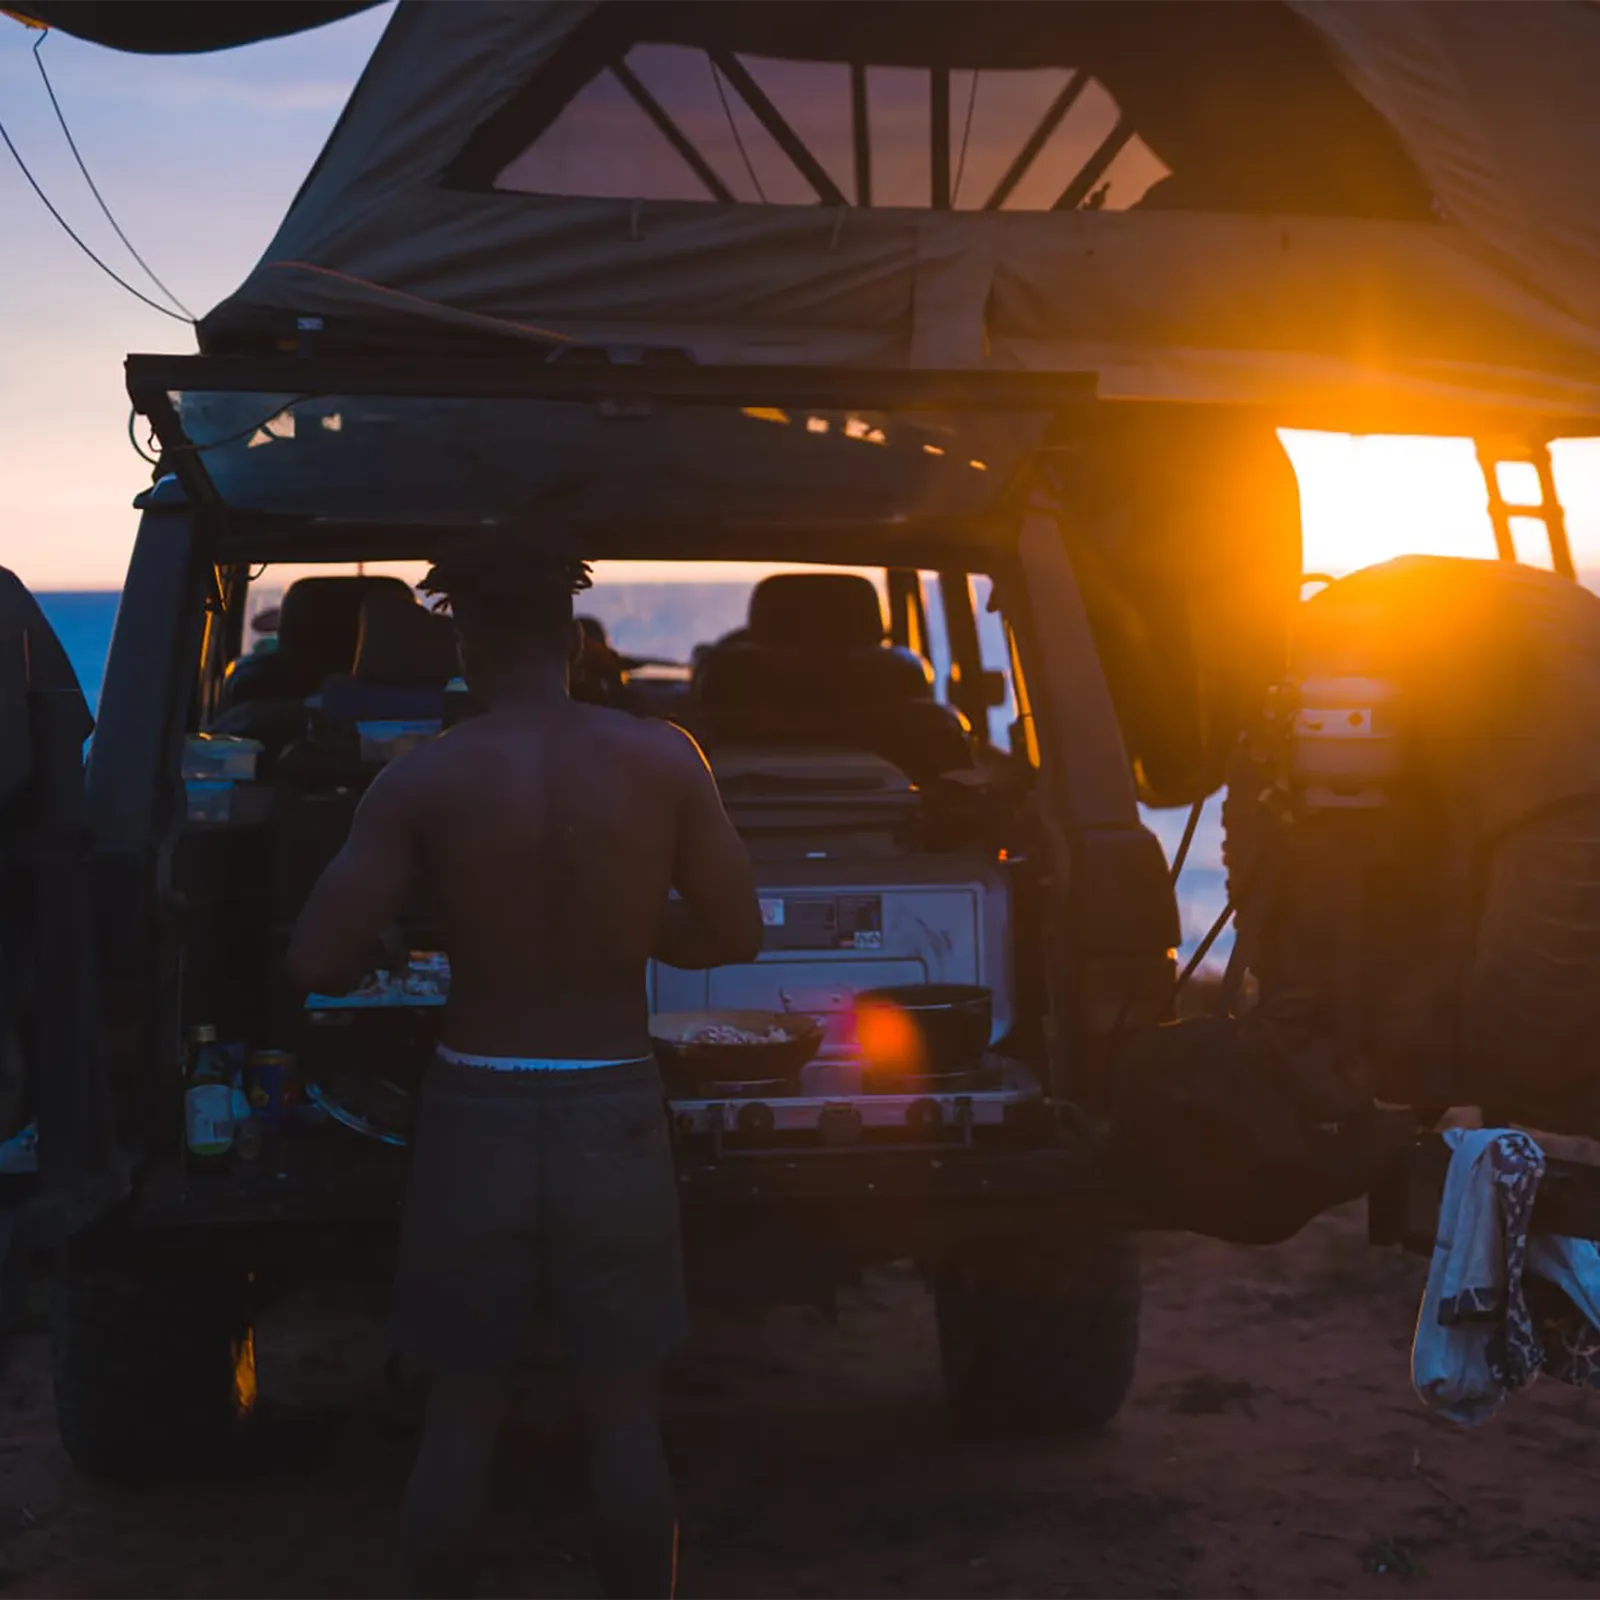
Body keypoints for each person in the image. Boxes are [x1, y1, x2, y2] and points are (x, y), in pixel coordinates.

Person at [285, 534, 763, 1600]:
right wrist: (633, 922)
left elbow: (315, 957)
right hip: (612, 1104)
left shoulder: (425, 778)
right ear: (572, 643)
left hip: (478, 1105)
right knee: (624, 1418)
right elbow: (732, 933)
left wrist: (412, 938)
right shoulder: (665, 756)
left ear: (465, 642)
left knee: (459, 1419)